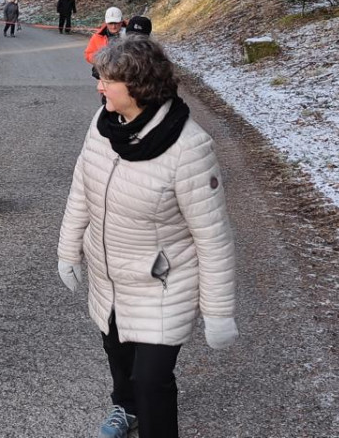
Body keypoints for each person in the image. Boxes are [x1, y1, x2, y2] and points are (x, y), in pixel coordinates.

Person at [57, 37, 238, 438]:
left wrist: (218, 312)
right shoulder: (103, 125)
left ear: (137, 86)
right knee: (118, 356)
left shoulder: (188, 147)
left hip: (162, 284)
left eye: (107, 80)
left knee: (151, 380)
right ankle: (125, 409)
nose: (99, 87)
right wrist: (68, 250)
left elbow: (213, 238)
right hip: (109, 275)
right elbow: (82, 190)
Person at [85, 6, 125, 78]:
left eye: (116, 23)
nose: (113, 26)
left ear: (121, 22)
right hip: (105, 74)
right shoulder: (98, 36)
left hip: (125, 73)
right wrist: (102, 60)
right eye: (110, 23)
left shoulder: (131, 35)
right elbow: (88, 54)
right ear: (106, 23)